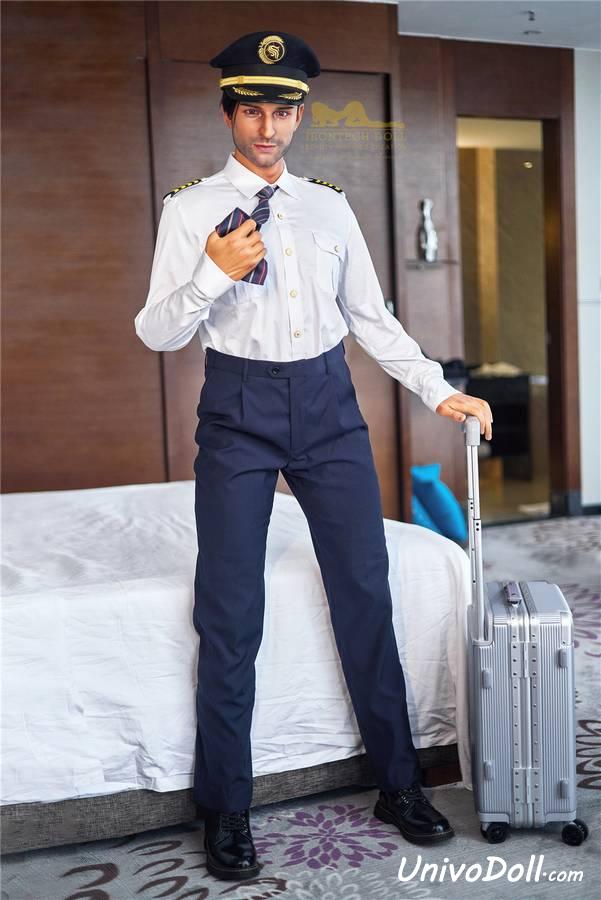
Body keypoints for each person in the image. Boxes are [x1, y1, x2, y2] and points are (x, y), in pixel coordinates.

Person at [134, 30, 493, 882]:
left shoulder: (329, 208)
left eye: (281, 111)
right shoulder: (189, 210)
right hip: (237, 410)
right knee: (229, 609)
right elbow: (156, 332)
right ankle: (226, 806)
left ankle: (398, 784)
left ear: (298, 117)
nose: (267, 128)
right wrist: (213, 273)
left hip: (329, 407)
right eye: (251, 111)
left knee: (364, 592)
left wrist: (435, 388)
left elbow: (370, 317)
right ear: (228, 114)